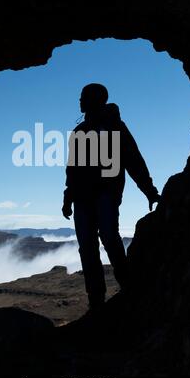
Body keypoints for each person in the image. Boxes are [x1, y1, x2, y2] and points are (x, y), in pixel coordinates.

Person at [62, 83, 160, 311]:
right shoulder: (80, 132)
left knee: (108, 237)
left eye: (83, 97)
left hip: (106, 193)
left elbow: (134, 160)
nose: (79, 101)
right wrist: (68, 198)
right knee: (87, 247)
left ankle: (128, 287)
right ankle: (96, 301)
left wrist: (149, 190)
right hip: (83, 198)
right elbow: (73, 169)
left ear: (96, 99)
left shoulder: (116, 128)